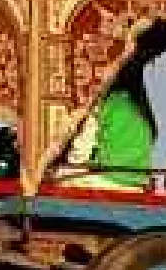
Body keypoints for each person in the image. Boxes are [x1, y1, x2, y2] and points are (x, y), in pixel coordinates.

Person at [62, 55, 159, 189]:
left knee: (60, 176)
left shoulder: (107, 102)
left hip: (107, 180)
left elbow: (83, 146)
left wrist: (70, 166)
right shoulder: (145, 110)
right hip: (137, 184)